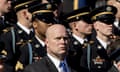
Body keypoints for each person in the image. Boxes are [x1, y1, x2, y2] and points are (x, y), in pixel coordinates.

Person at [0, 0, 40, 72]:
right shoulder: (9, 36)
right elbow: (7, 66)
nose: (38, 14)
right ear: (25, 14)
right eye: (35, 11)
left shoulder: (40, 33)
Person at [15, 3, 57, 72]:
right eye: (46, 20)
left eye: (52, 21)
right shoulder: (27, 49)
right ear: (35, 24)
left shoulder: (58, 45)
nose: (50, 24)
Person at [88, 5, 117, 72]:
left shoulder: (117, 47)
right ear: (96, 25)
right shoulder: (88, 50)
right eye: (106, 21)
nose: (111, 25)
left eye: (112, 21)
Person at [64, 6, 93, 72]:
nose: (91, 24)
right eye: (87, 21)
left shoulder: (94, 43)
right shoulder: (67, 45)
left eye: (91, 21)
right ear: (75, 25)